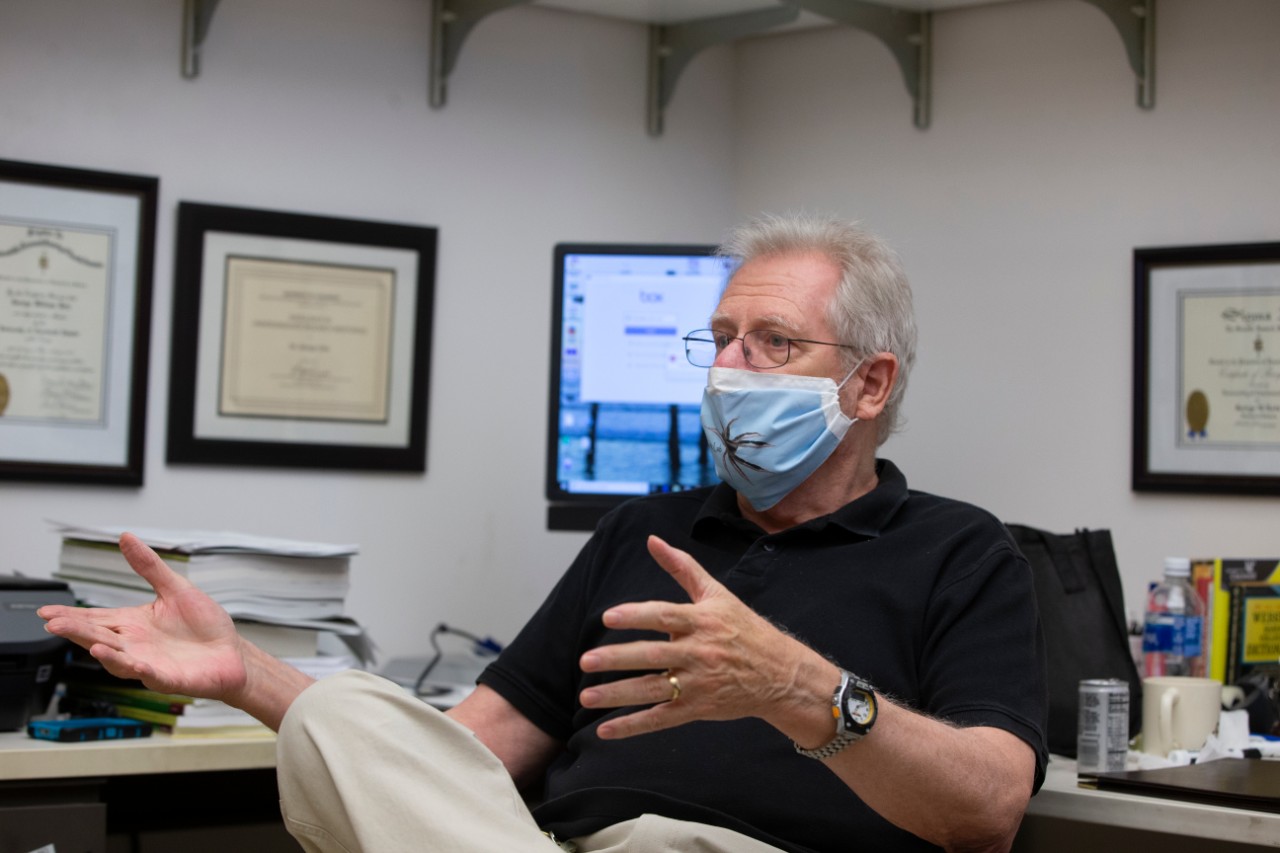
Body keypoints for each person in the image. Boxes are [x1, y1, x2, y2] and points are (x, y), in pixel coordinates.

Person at [40, 213, 1047, 853]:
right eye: (719, 340)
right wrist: (244, 671)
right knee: (345, 712)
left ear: (869, 382)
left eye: (772, 343)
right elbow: (459, 753)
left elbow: (989, 807)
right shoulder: (643, 530)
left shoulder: (960, 552)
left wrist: (795, 686)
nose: (727, 369)